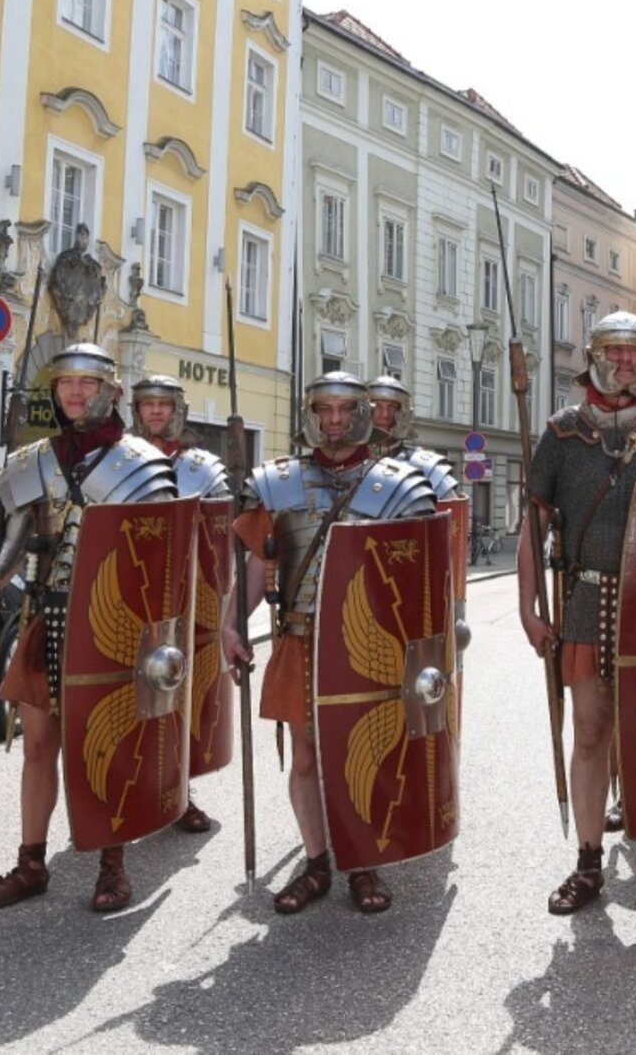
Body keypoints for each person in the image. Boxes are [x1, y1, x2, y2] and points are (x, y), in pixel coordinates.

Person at [0, 344, 179, 913]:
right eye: (65, 384)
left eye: (87, 383)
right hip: (44, 618)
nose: (75, 393)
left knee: (105, 746)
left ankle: (112, 863)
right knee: (38, 747)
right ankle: (32, 863)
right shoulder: (32, 461)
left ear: (112, 390)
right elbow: (7, 546)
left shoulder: (143, 465)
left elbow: (160, 566)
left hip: (110, 628)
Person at [223, 373, 440, 914]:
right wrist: (231, 624)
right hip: (299, 635)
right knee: (304, 759)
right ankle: (318, 861)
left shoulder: (399, 486)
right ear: (312, 415)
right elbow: (257, 564)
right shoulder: (278, 482)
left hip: (368, 646)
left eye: (346, 410)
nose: (336, 420)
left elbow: (421, 578)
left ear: (363, 414)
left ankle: (363, 860)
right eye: (326, 410)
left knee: (362, 754)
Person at [518, 312, 636, 920]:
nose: (625, 364)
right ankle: (589, 860)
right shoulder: (562, 434)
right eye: (615, 352)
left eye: (635, 354)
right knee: (592, 732)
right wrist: (527, 605)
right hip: (586, 601)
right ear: (596, 356)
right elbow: (533, 523)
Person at [127, 374, 231, 835]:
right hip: (131, 598)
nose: (155, 413)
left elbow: (222, 536)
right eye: (147, 405)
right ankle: (132, 789)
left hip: (188, 600)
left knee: (179, 697)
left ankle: (180, 792)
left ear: (178, 411)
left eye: (164, 405)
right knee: (132, 702)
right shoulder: (116, 463)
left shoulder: (202, 469)